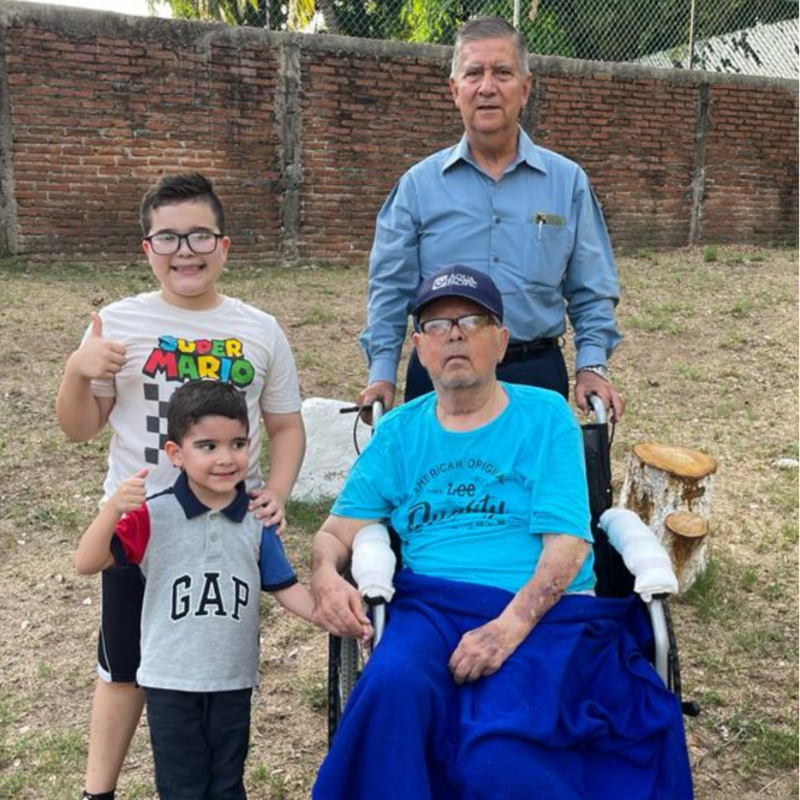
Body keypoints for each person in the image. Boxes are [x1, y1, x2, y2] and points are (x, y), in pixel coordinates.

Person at [310, 265, 692, 800]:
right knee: (391, 689)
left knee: (501, 763)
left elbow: (568, 543)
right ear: (419, 348)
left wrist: (507, 628)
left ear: (501, 341)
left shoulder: (544, 416)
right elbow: (333, 535)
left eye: (471, 321)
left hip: (540, 610)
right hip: (432, 606)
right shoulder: (398, 431)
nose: (454, 335)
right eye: (437, 325)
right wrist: (326, 577)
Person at [56, 173, 306, 800]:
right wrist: (77, 372)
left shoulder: (260, 329)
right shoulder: (118, 323)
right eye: (167, 237)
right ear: (147, 248)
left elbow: (285, 425)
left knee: (215, 667)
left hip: (226, 527)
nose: (184, 250)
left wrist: (276, 490)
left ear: (225, 245)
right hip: (143, 527)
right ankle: (97, 792)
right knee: (123, 667)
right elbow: (80, 429)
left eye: (200, 235)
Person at [358, 15, 625, 421]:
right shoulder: (417, 187)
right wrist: (381, 374)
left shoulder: (567, 183)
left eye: (502, 72)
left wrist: (592, 365)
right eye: (473, 74)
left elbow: (592, 288)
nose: (487, 87)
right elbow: (390, 290)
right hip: (441, 379)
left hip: (535, 375)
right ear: (455, 89)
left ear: (525, 88)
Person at [75, 381, 315, 800]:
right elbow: (86, 561)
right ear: (176, 453)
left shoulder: (257, 519)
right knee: (182, 786)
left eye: (237, 443)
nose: (225, 458)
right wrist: (113, 509)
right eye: (208, 446)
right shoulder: (152, 515)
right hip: (169, 681)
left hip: (232, 680)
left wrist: (336, 616)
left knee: (227, 783)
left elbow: (286, 587)